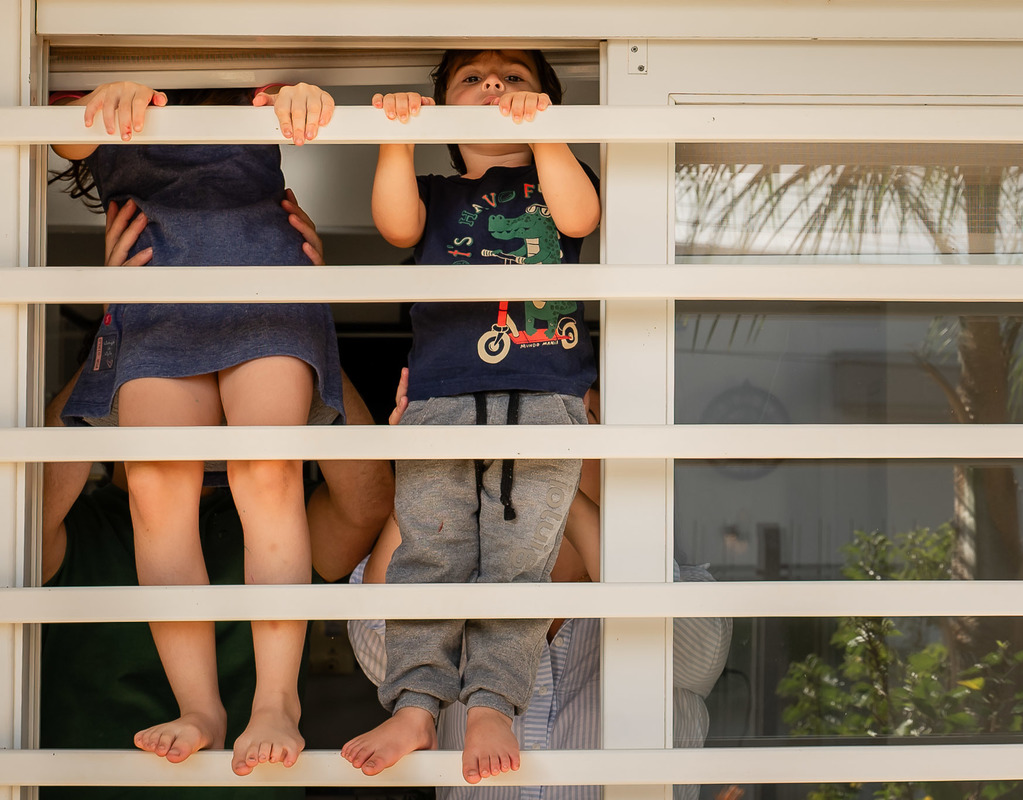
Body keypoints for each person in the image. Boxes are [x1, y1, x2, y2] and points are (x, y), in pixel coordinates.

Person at [38, 201, 394, 799]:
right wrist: (119, 324)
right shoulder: (81, 533)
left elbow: (369, 501)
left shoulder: (277, 517)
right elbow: (23, 508)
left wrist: (301, 324)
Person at [49, 83, 342, 775]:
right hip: (151, 283)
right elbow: (64, 134)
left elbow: (304, 96)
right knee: (155, 488)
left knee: (266, 472)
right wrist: (109, 93)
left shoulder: (246, 56)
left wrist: (304, 94)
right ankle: (200, 708)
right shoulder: (104, 60)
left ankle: (276, 702)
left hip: (265, 272)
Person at [340, 49, 601, 785]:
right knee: (431, 549)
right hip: (441, 396)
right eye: (472, 79)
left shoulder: (559, 181)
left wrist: (546, 134)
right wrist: (398, 138)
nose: (494, 85)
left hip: (544, 395)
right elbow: (395, 226)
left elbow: (581, 215)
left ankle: (492, 703)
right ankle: (416, 704)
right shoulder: (434, 194)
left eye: (515, 78)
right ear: (447, 117)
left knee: (519, 560)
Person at [347, 388, 733, 800]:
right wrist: (428, 478)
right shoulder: (459, 584)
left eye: (572, 420)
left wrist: (551, 487)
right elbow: (376, 642)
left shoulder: (686, 591)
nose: (531, 442)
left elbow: (688, 648)